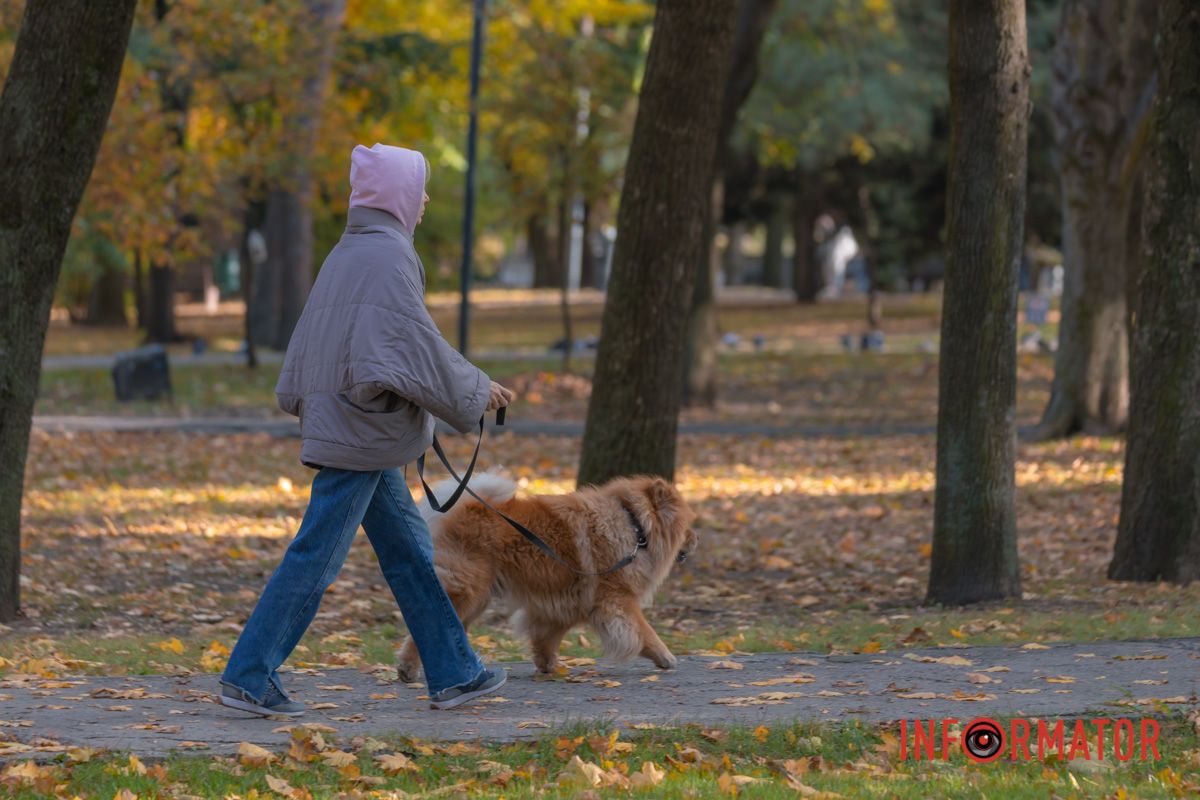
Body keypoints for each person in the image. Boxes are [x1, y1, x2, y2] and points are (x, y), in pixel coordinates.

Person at [219, 143, 515, 716]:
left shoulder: (351, 253)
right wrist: (477, 391)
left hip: (359, 429)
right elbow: (411, 345)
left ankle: (454, 671)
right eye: (419, 187)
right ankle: (250, 673)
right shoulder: (388, 259)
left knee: (409, 553)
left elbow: (365, 342)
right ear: (397, 194)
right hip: (360, 433)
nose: (425, 199)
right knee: (317, 556)